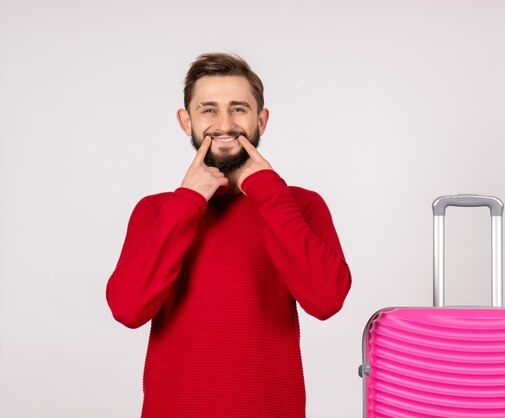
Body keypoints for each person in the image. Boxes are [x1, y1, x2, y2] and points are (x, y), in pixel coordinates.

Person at [105, 53, 352, 418]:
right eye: (208, 110)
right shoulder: (157, 210)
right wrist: (188, 200)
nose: (224, 123)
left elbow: (327, 300)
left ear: (261, 120)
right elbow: (127, 309)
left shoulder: (299, 205)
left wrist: (268, 191)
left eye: (238, 109)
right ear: (185, 121)